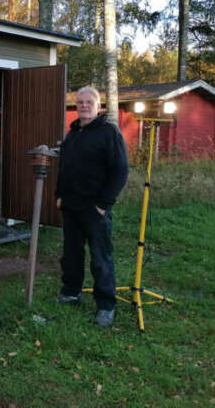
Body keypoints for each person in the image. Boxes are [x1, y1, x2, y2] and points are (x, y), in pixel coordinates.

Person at [55, 86, 128, 327]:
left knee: (100, 258)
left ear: (98, 106)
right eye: (80, 102)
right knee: (72, 254)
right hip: (71, 206)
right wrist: (60, 195)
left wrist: (103, 205)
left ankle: (106, 305)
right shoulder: (74, 133)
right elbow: (65, 167)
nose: (84, 106)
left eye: (89, 102)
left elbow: (120, 172)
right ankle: (71, 292)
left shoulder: (109, 133)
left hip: (94, 208)